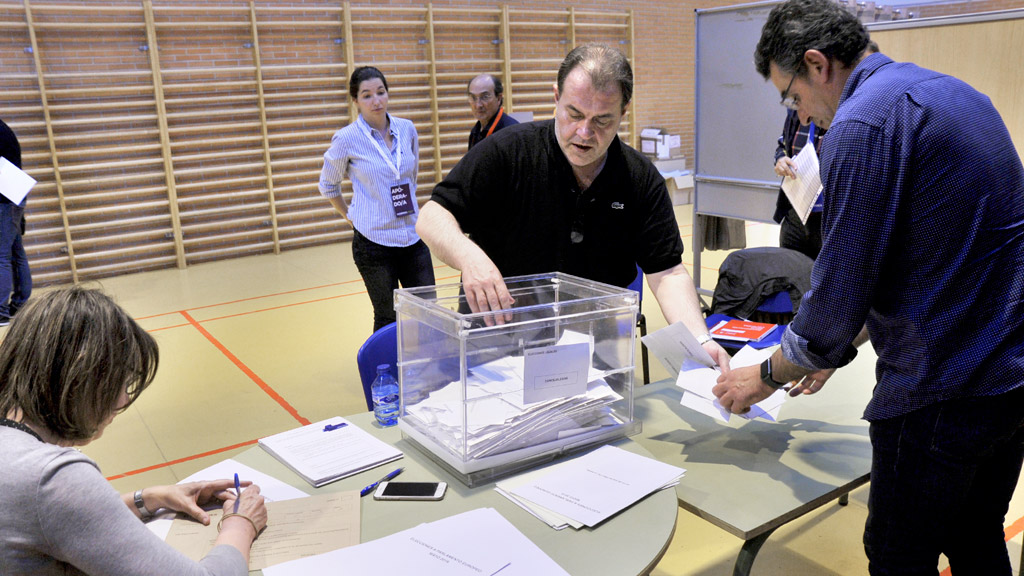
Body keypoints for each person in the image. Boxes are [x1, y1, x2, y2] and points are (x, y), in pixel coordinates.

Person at [712, 1, 1024, 574]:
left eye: (794, 97)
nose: (802, 118)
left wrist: (764, 375)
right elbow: (924, 263)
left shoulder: (862, 123)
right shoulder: (957, 94)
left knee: (896, 554)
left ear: (817, 64)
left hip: (939, 389)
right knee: (976, 533)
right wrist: (832, 348)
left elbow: (841, 281)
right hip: (1009, 377)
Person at [417, 44, 730, 368]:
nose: (584, 133)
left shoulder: (639, 178)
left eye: (602, 121)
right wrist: (469, 257)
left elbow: (666, 271)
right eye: (575, 114)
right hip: (498, 344)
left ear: (623, 112)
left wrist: (700, 340)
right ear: (556, 97)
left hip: (593, 351)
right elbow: (432, 215)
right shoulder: (506, 152)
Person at [0, 287, 269, 575]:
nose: (124, 399)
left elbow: (53, 519)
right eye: (120, 382)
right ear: (82, 379)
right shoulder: (54, 478)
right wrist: (240, 524)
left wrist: (148, 498)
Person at [319, 66, 435, 332]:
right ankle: (386, 373)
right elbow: (328, 185)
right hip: (373, 243)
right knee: (387, 317)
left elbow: (411, 174)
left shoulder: (406, 128)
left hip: (412, 236)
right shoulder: (346, 139)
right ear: (356, 101)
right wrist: (349, 216)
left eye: (381, 92)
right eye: (367, 95)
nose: (377, 101)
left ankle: (431, 370)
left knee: (428, 310)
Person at [772, 109, 824, 260]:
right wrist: (781, 159)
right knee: (790, 274)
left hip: (827, 221)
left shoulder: (841, 116)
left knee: (822, 280)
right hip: (795, 214)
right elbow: (782, 144)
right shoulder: (797, 113)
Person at [0, 118, 32, 326]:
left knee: (1, 255)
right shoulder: (5, 130)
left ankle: (1, 310)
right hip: (14, 196)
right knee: (15, 253)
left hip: (4, 199)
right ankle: (20, 305)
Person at [467, 74, 518, 150]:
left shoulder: (511, 133)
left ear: (498, 99)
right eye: (473, 98)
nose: (478, 105)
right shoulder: (475, 131)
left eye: (485, 97)